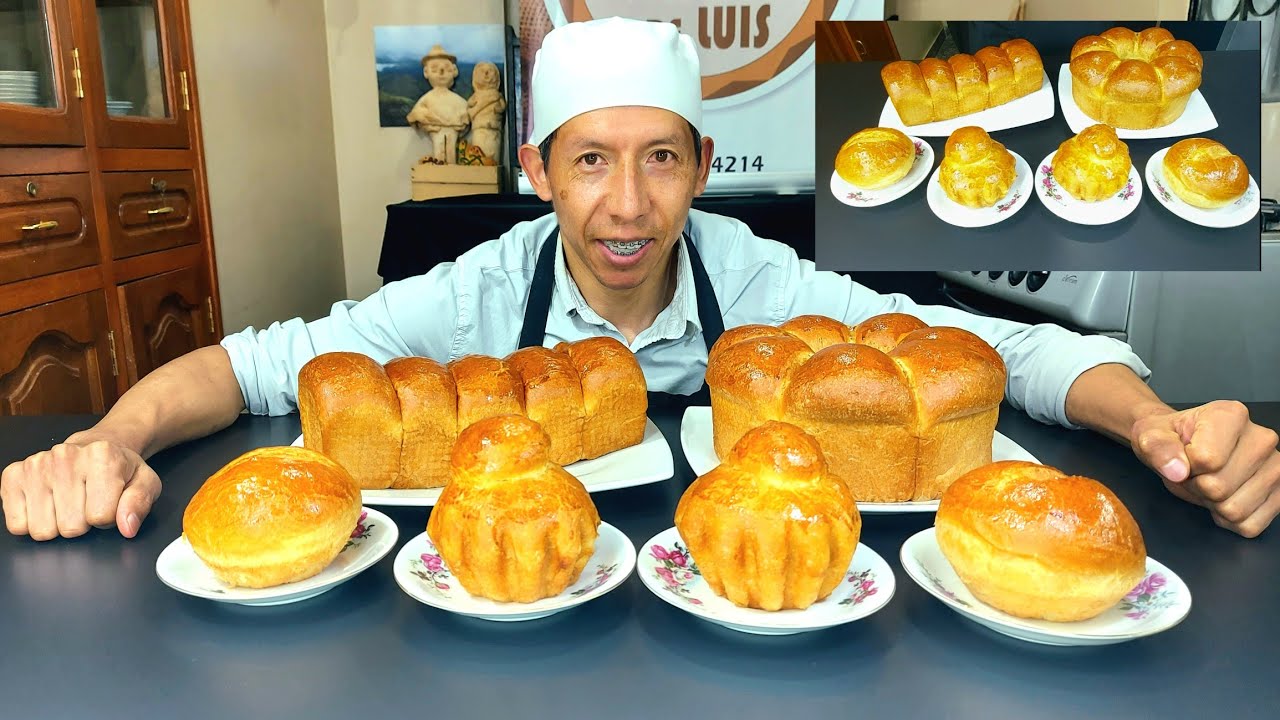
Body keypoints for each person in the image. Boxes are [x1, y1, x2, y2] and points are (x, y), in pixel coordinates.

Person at [3, 17, 1277, 542]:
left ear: (701, 165)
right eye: (592, 163)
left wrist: (1155, 422)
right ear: (538, 169)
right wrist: (109, 435)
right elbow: (248, 366)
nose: (627, 207)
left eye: (660, 161)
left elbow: (1009, 350)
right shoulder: (472, 294)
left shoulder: (757, 278)